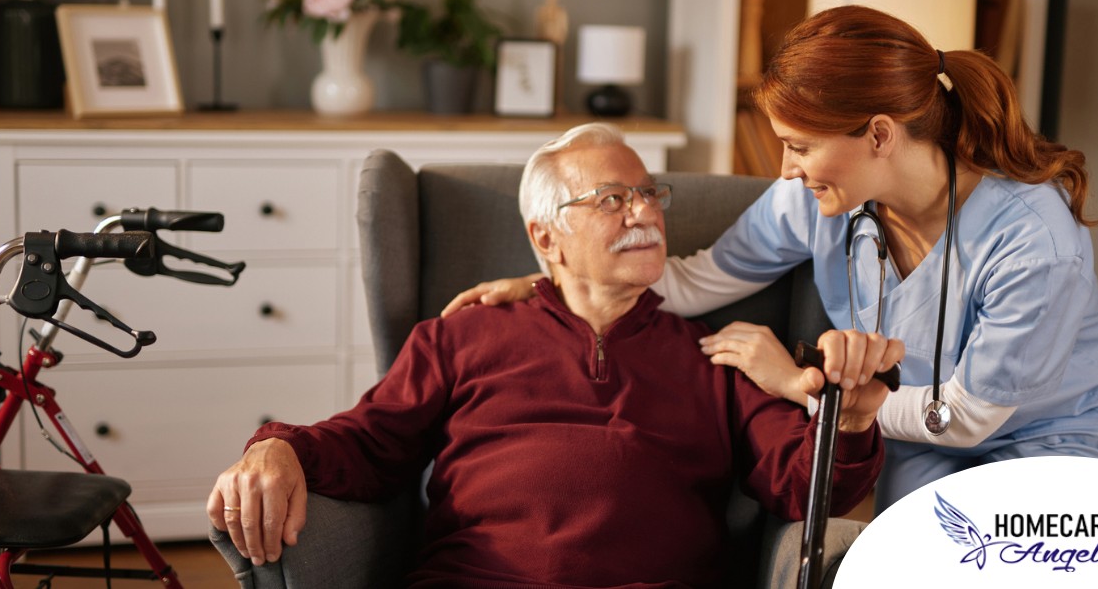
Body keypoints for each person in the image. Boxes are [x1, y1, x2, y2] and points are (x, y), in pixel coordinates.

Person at [441, 5, 1098, 514]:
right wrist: (555, 281)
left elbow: (968, 417)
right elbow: (689, 281)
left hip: (1053, 431)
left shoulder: (1031, 240)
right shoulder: (813, 200)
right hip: (921, 430)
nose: (785, 167)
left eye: (799, 145)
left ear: (879, 135)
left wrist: (799, 383)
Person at [208, 122, 890, 587]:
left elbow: (805, 485)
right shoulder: (460, 335)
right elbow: (369, 441)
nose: (645, 214)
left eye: (650, 194)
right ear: (547, 235)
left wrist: (853, 419)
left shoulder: (716, 356)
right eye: (612, 200)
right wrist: (277, 447)